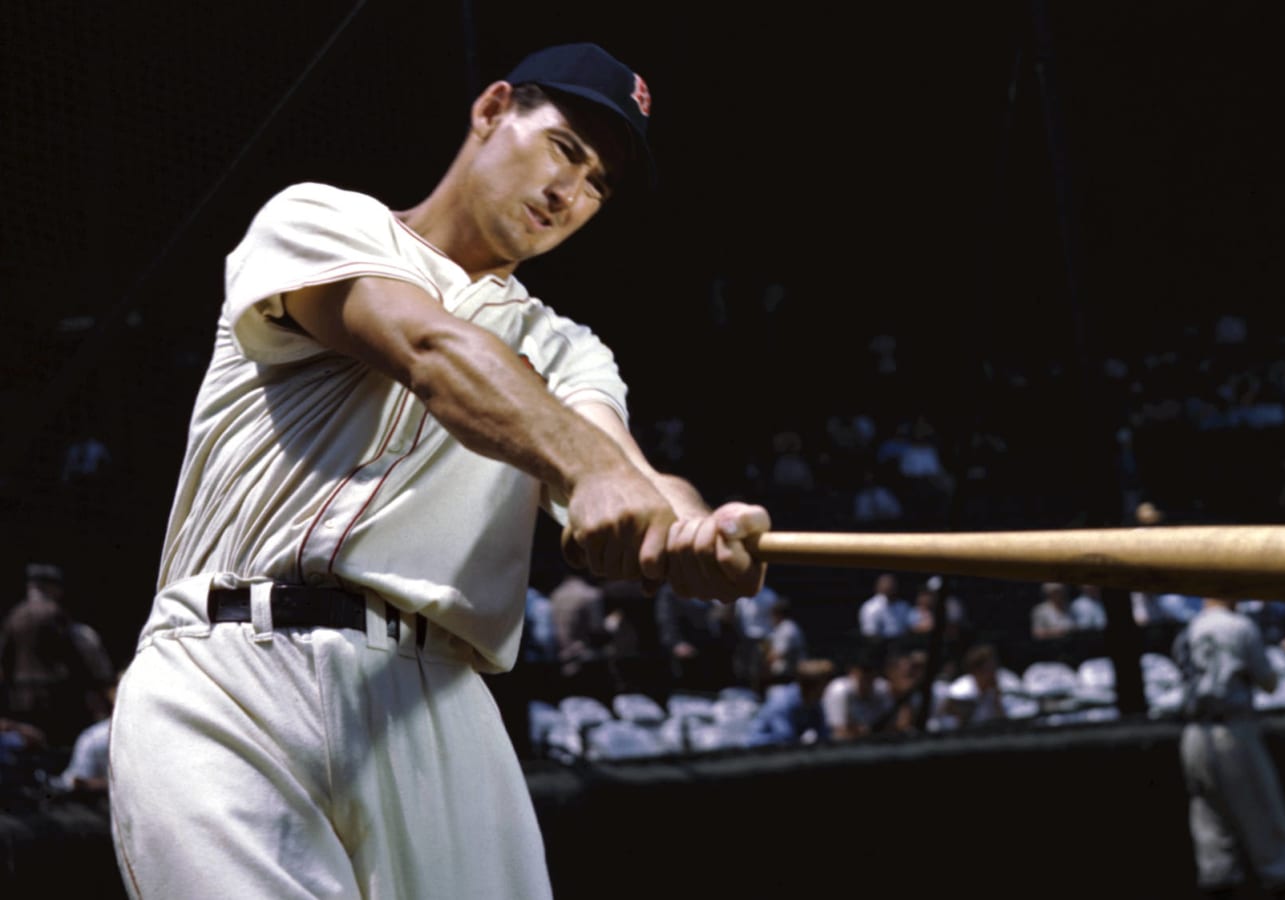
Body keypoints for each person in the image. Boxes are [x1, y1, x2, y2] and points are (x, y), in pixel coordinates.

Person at [108, 43, 771, 900]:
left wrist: (695, 529)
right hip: (232, 669)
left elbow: (627, 471)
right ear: (493, 109)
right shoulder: (321, 218)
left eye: (600, 183)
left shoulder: (568, 348)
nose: (572, 193)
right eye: (567, 148)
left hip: (435, 701)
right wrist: (588, 468)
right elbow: (429, 349)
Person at [1172, 598, 1285, 900]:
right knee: (1263, 815)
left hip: (1192, 733)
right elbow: (1268, 682)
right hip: (1232, 730)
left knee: (1210, 827)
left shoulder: (1187, 629)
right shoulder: (1239, 626)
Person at [0, 563, 114, 746]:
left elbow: (5, 658)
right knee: (58, 746)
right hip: (55, 695)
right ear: (51, 587)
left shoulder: (14, 616)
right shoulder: (55, 613)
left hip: (21, 697)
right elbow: (73, 654)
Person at [746, 658, 835, 747]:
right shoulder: (782, 702)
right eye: (825, 683)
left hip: (786, 749)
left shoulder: (815, 702)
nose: (829, 688)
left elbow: (824, 734)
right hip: (759, 751)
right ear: (814, 686)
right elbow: (786, 738)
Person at [858, 573, 910, 641]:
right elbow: (869, 633)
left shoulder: (903, 605)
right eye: (886, 585)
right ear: (878, 587)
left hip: (902, 643)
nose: (889, 587)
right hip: (878, 645)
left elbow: (910, 627)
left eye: (892, 585)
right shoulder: (870, 607)